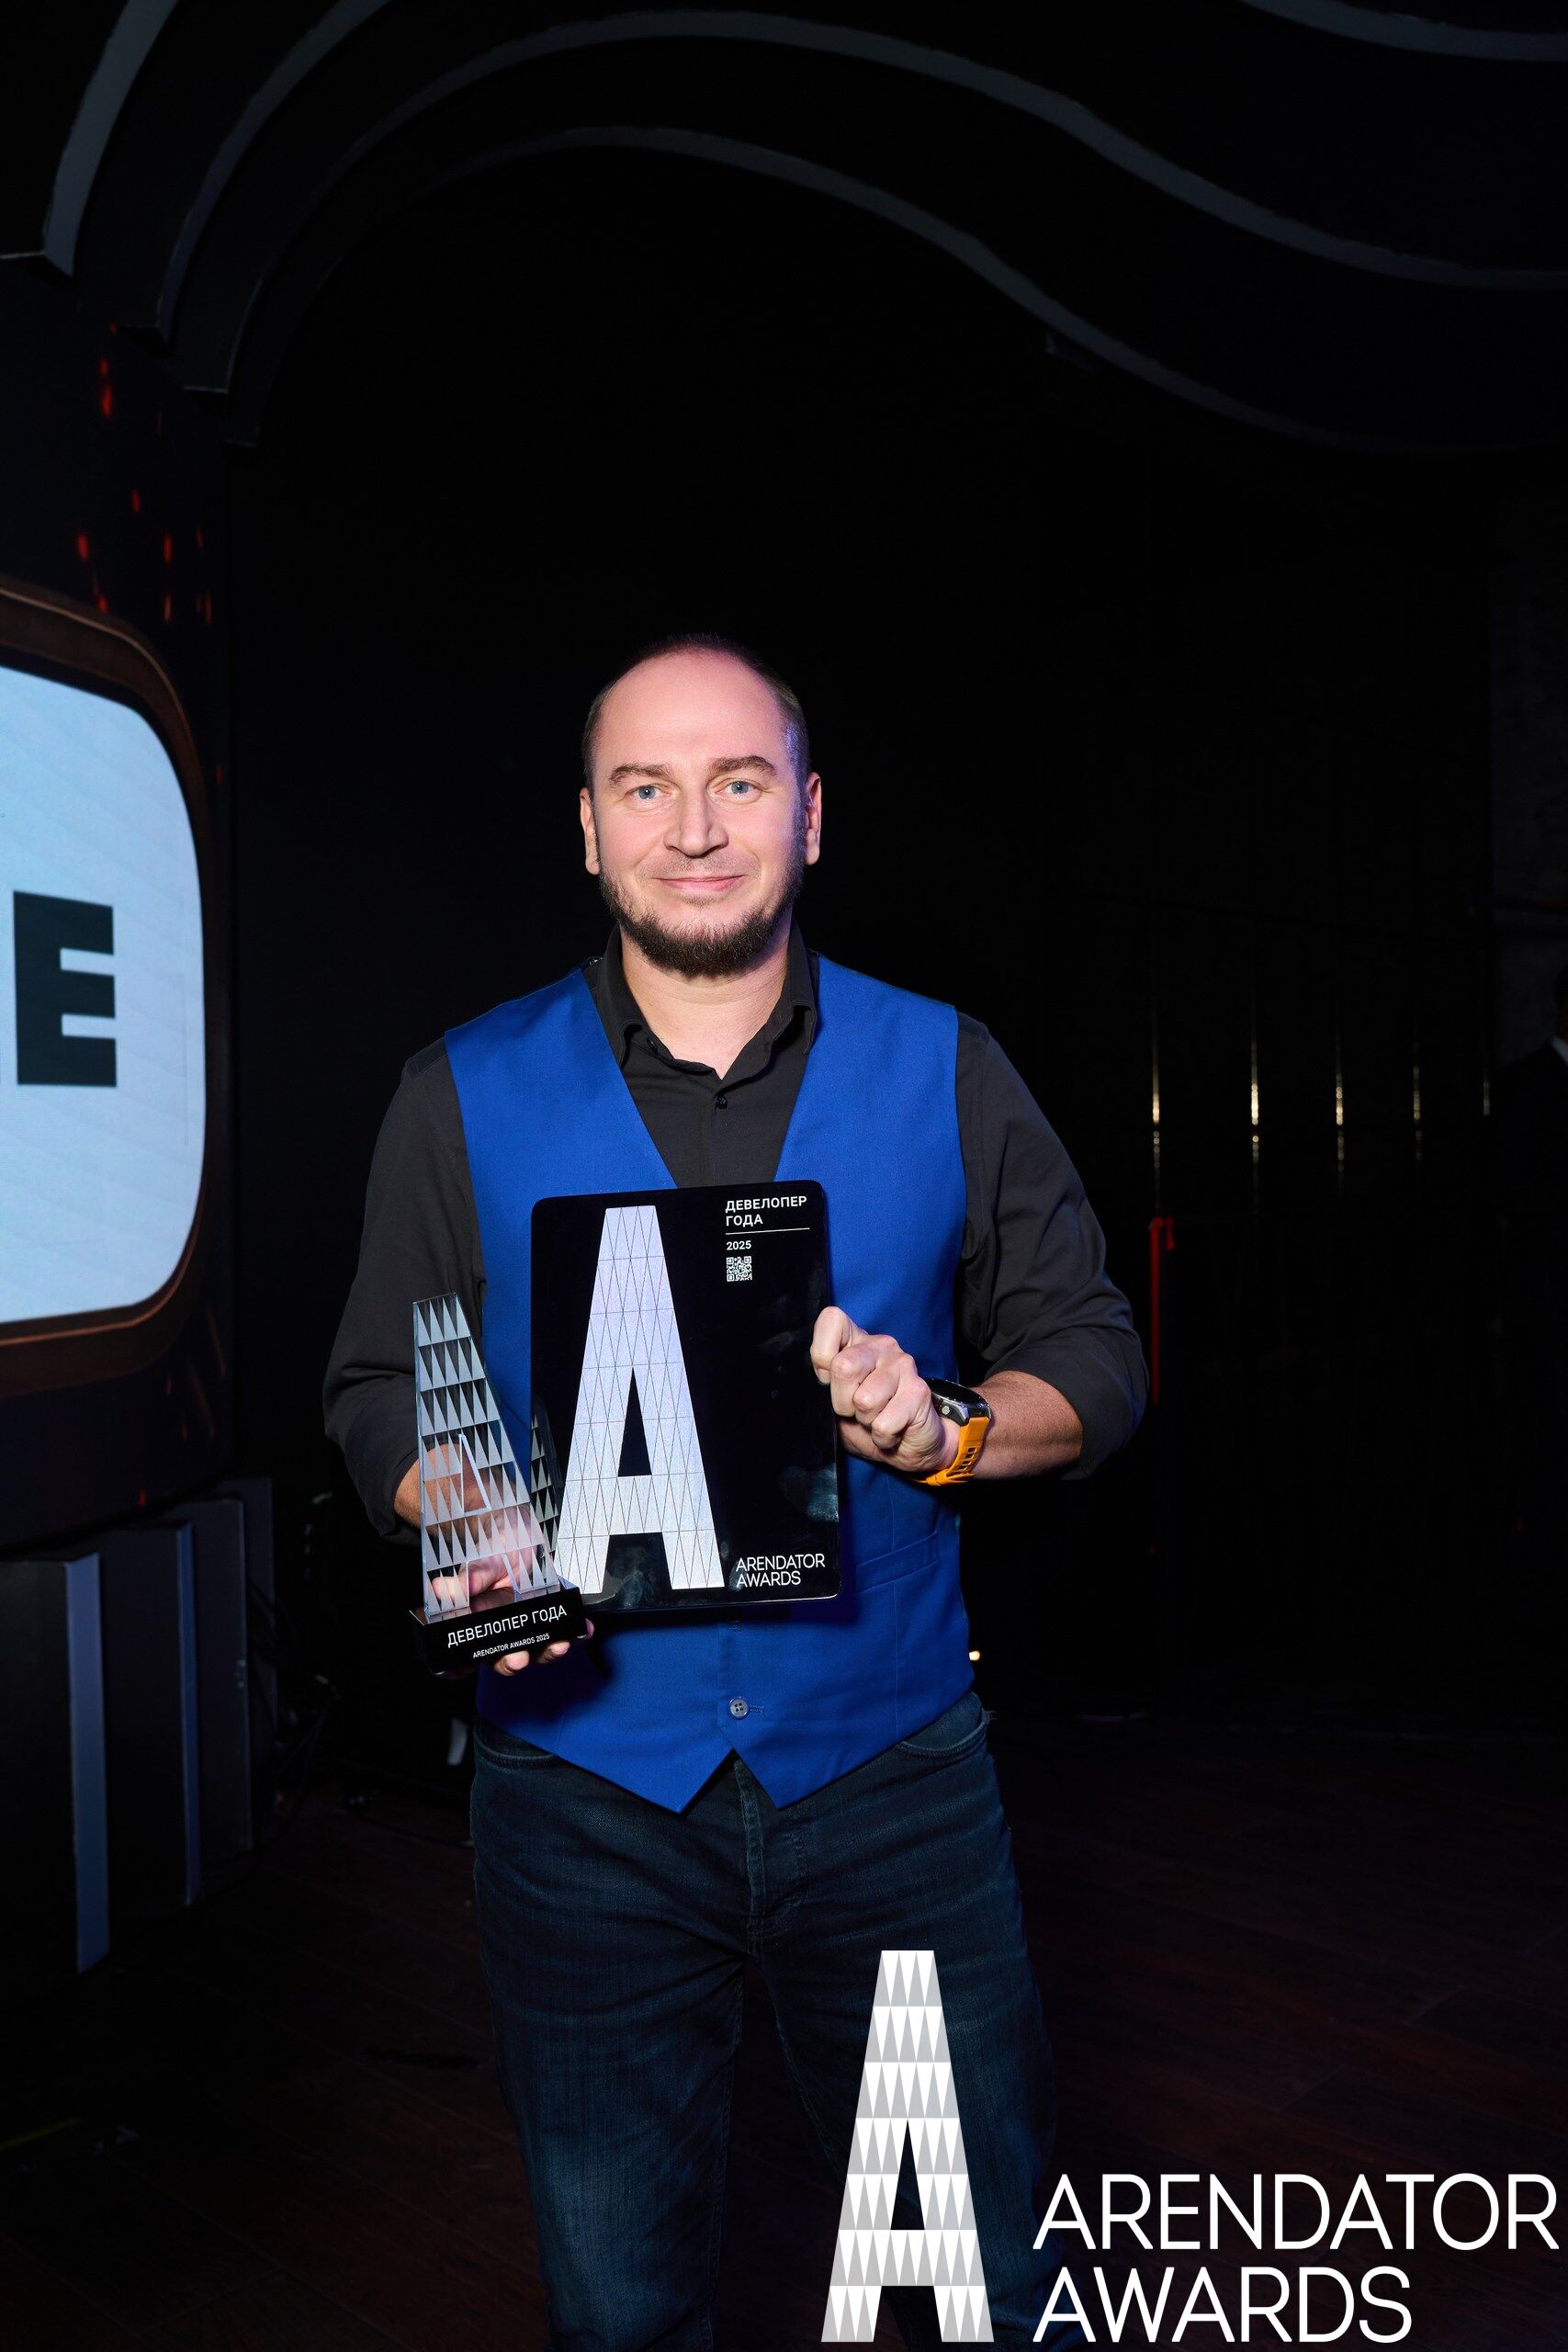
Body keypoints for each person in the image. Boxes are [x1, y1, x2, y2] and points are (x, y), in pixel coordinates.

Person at [324, 633, 1147, 2349]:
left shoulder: (949, 1066)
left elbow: (1095, 1358)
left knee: (975, 2288)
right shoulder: (456, 1090)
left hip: (893, 1786)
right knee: (622, 2306)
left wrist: (945, 1429)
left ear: (811, 815)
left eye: (738, 781)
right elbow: (375, 1386)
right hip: (581, 1806)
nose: (693, 827)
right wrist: (467, 1515)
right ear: (588, 826)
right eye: (647, 787)